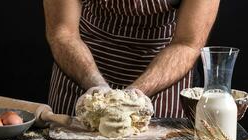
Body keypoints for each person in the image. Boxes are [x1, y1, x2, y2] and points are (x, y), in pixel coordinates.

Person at [43, 0, 220, 118]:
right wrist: (94, 83)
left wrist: (134, 95)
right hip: (82, 65)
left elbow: (187, 44)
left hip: (163, 71)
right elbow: (63, 34)